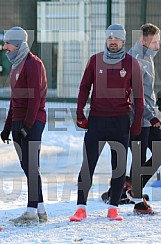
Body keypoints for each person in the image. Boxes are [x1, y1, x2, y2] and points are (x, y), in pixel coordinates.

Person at [69, 24, 144, 222]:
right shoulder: (95, 60)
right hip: (97, 121)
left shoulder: (131, 63)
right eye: (109, 38)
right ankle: (80, 208)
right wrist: (79, 113)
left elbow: (139, 98)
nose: (112, 41)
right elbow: (84, 87)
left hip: (120, 122)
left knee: (118, 166)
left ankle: (113, 208)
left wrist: (136, 123)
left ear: (123, 41)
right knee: (88, 164)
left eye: (116, 39)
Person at [0, 26, 48, 225]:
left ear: (18, 44)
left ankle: (31, 210)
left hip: (33, 121)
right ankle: (41, 210)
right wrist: (8, 126)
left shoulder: (32, 64)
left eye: (8, 43)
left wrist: (27, 125)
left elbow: (35, 98)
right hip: (20, 121)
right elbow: (15, 99)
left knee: (31, 165)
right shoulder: (16, 64)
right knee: (28, 167)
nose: (4, 47)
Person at [127, 23, 161, 214]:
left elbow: (147, 91)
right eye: (155, 42)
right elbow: (134, 95)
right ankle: (137, 196)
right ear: (143, 40)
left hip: (150, 115)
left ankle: (129, 185)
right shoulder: (136, 60)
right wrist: (150, 116)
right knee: (139, 157)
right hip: (139, 117)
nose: (158, 46)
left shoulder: (148, 57)